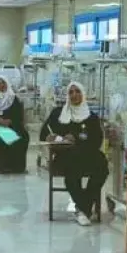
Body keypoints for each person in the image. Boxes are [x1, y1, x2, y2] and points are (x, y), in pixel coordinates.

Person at [39, 82, 107, 227]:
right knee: (72, 169)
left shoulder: (91, 117)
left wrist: (76, 139)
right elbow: (44, 133)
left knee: (102, 166)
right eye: (71, 92)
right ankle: (84, 208)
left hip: (88, 154)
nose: (74, 95)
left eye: (77, 91)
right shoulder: (58, 114)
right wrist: (50, 137)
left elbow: (97, 141)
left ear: (83, 94)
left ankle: (82, 208)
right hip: (65, 156)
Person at [0, 76, 29, 174]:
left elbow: (18, 114)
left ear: (7, 83)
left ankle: (18, 167)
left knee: (24, 136)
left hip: (11, 124)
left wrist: (10, 121)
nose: (1, 85)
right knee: (6, 136)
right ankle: (2, 166)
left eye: (3, 82)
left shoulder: (12, 97)